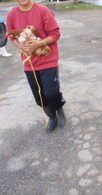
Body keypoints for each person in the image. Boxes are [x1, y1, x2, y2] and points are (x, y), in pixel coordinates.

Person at [7, 0, 66, 133]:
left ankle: (59, 108)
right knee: (39, 96)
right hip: (29, 64)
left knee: (51, 92)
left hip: (48, 60)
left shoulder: (42, 10)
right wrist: (20, 46)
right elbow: (11, 36)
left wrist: (39, 43)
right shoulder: (12, 14)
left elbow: (55, 34)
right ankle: (51, 117)